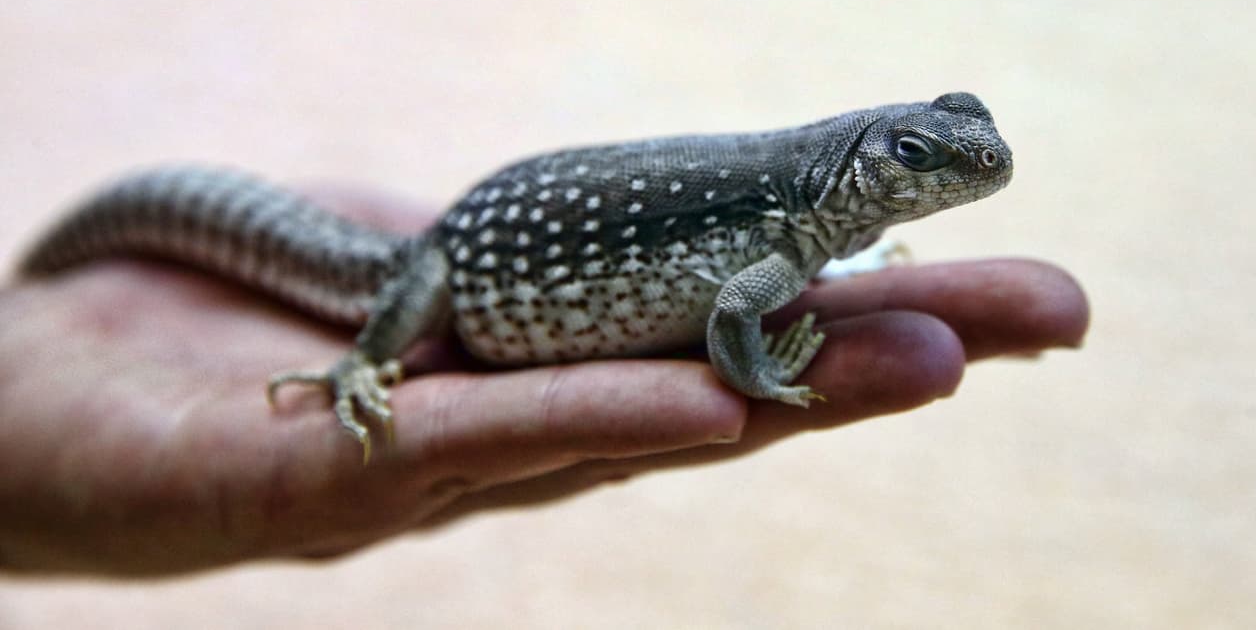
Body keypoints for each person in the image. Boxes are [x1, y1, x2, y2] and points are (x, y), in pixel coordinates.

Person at [0, 188, 1088, 576]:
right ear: (853, 168)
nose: (967, 173)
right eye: (917, 156)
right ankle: (356, 360)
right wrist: (367, 358)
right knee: (389, 304)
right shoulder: (770, 232)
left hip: (462, 249)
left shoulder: (794, 227)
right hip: (436, 269)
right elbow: (726, 316)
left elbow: (741, 280)